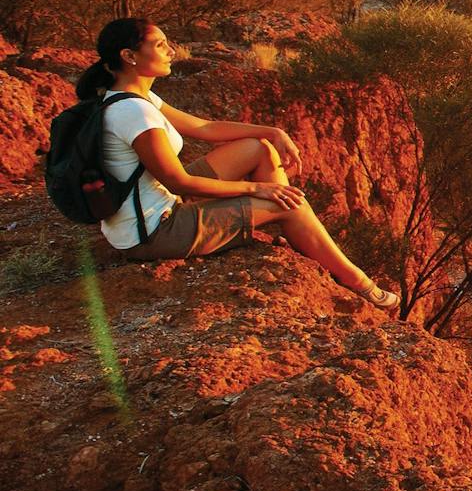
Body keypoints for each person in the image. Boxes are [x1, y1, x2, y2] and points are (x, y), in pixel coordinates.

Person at [76, 17, 399, 308]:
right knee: (292, 205)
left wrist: (273, 132)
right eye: (159, 45)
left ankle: (286, 226)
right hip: (155, 231)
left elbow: (205, 128)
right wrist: (257, 188)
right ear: (129, 56)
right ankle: (358, 282)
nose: (171, 51)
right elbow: (179, 182)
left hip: (160, 203)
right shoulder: (134, 112)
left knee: (256, 149)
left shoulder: (136, 99)